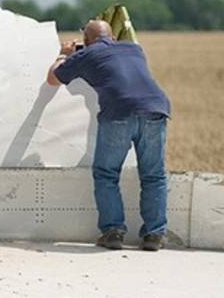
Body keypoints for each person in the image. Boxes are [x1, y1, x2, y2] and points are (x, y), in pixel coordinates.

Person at [46, 20, 171, 251]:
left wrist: (64, 55)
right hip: (156, 109)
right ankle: (154, 235)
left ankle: (113, 232)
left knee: (106, 174)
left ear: (86, 40)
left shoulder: (86, 55)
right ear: (112, 36)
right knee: (154, 175)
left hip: (118, 113)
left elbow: (53, 78)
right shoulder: (135, 48)